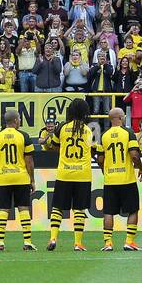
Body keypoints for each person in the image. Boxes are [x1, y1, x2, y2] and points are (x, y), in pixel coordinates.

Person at [0, 108, 34, 252]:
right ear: (16, 121)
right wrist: (32, 179)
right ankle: (27, 242)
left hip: (3, 178)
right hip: (20, 177)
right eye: (19, 120)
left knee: (3, 209)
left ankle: (0, 241)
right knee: (23, 208)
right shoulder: (24, 136)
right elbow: (29, 161)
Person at [50, 98, 94, 251]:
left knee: (57, 207)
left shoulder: (62, 128)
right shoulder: (88, 130)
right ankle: (77, 243)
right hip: (82, 174)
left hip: (64, 173)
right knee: (79, 209)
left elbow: (53, 146)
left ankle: (53, 238)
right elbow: (92, 149)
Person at [98, 107, 142, 252]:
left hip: (110, 180)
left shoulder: (104, 135)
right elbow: (134, 155)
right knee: (133, 210)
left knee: (108, 212)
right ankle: (129, 241)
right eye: (123, 116)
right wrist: (140, 168)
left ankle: (108, 243)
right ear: (120, 117)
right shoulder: (128, 133)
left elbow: (100, 159)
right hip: (127, 179)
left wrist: (106, 171)